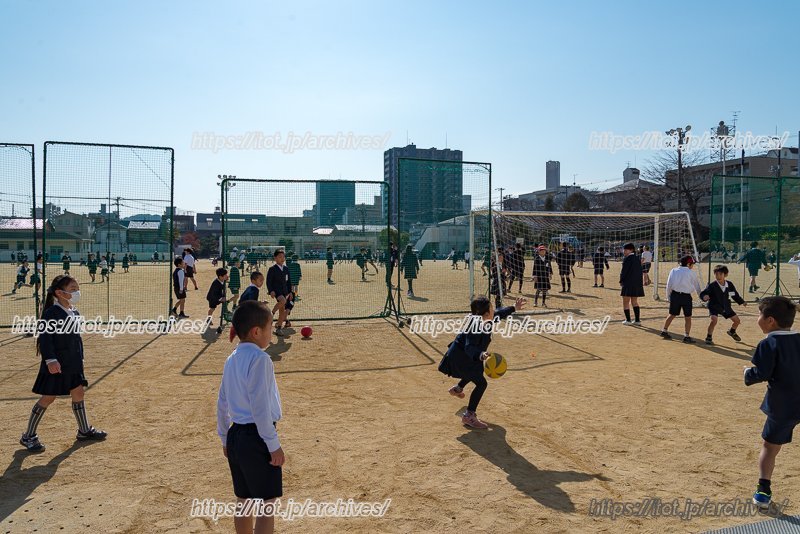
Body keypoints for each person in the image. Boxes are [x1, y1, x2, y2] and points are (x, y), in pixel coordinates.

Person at [217, 301, 285, 534]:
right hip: (257, 437)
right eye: (270, 328)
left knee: (243, 499)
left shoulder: (231, 359)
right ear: (256, 332)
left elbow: (222, 403)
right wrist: (273, 445)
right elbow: (260, 408)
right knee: (267, 504)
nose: (272, 332)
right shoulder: (260, 359)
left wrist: (226, 439)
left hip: (236, 435)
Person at [19, 275, 107, 452]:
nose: (77, 292)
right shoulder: (52, 313)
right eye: (73, 289)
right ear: (59, 293)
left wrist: (80, 357)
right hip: (56, 364)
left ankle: (84, 430)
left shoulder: (74, 312)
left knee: (78, 393)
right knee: (48, 397)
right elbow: (45, 339)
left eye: (77, 289)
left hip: (72, 363)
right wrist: (50, 360)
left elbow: (77, 338)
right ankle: (28, 435)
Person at [744, 296, 800, 510]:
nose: (758, 318)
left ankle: (763, 491)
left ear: (770, 321)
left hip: (782, 405)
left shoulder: (768, 343)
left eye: (760, 315)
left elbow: (762, 373)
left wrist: (748, 374)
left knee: (770, 447)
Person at [438, 295, 526, 429]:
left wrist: (514, 307)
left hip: (462, 356)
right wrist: (480, 354)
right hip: (460, 358)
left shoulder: (484, 319)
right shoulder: (476, 326)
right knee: (481, 383)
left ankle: (458, 388)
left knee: (476, 370)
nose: (493, 310)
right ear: (486, 313)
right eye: (491, 308)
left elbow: (499, 314)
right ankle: (469, 416)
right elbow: (469, 346)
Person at [660, 255, 703, 343]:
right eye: (692, 264)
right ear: (688, 264)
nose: (692, 266)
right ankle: (686, 336)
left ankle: (664, 330)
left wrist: (668, 296)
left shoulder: (674, 270)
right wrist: (701, 296)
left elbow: (669, 285)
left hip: (675, 295)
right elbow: (697, 286)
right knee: (688, 317)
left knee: (672, 314)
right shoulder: (692, 273)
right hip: (686, 297)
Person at [700, 264, 746, 345]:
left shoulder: (729, 284)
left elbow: (734, 294)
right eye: (716, 274)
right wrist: (704, 296)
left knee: (737, 321)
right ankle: (709, 337)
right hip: (714, 306)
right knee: (714, 320)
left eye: (720, 274)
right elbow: (704, 293)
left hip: (725, 306)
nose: (718, 276)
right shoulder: (712, 285)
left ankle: (732, 331)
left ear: (725, 274)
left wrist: (742, 301)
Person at [266, 249, 294, 335]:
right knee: (283, 301)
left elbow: (289, 281)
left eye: (283, 257)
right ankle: (271, 314)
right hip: (277, 291)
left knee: (282, 310)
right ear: (275, 258)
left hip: (285, 291)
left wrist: (290, 292)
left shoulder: (286, 268)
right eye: (280, 257)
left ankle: (278, 328)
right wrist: (271, 291)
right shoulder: (272, 269)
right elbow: (268, 281)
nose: (282, 258)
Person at [620, 243, 645, 325]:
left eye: (625, 250)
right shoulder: (637, 258)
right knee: (634, 301)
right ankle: (637, 320)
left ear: (631, 250)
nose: (624, 251)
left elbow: (624, 271)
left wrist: (621, 280)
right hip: (637, 283)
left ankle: (628, 320)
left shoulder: (627, 259)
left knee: (626, 302)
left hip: (628, 283)